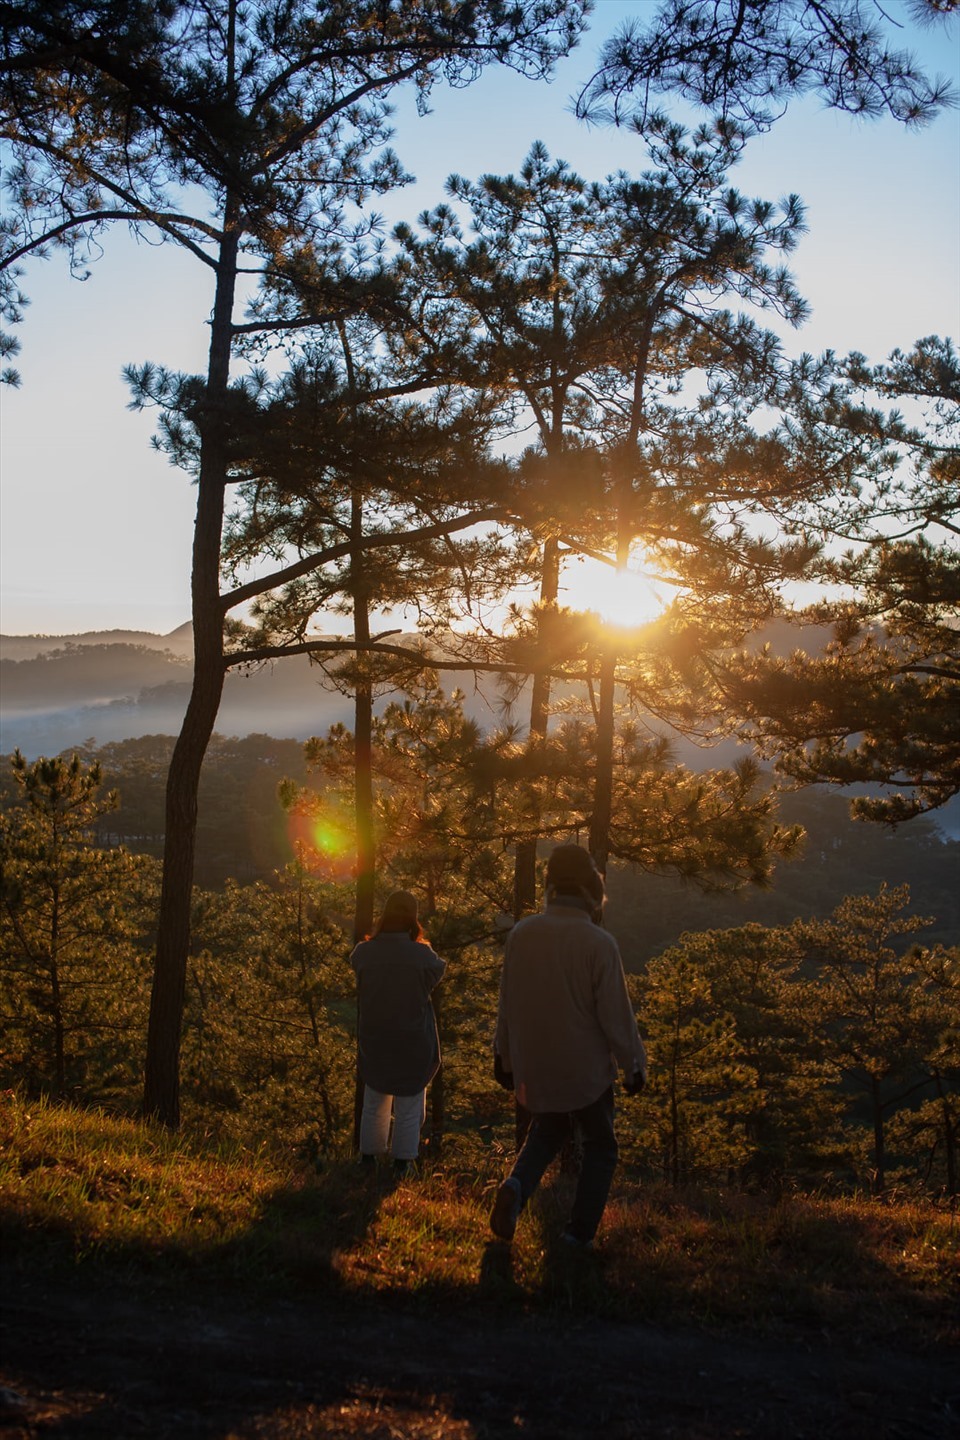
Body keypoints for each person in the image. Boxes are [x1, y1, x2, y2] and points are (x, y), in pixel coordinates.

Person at [490, 843, 647, 1248]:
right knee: (601, 1146)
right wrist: (634, 1064)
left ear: (550, 886)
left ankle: (516, 1186)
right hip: (585, 1070)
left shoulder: (522, 934)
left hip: (535, 1063)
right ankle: (578, 1235)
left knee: (549, 1128)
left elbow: (507, 1003)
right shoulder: (598, 943)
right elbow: (616, 1014)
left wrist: (503, 1057)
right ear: (591, 887)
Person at [351, 890, 446, 1176]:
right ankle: (402, 1164)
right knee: (409, 1102)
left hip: (375, 1038)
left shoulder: (364, 953)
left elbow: (358, 970)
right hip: (412, 1039)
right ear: (412, 918)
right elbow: (436, 974)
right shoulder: (422, 955)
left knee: (374, 1100)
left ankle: (368, 1159)